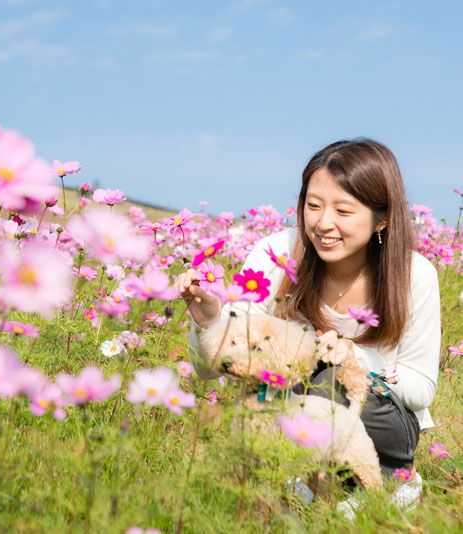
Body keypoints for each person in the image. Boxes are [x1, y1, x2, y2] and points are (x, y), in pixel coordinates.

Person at [175, 138, 441, 515]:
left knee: (324, 378)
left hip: (376, 420)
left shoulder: (415, 276)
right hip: (286, 414)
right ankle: (303, 481)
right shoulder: (276, 253)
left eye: (343, 210)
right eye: (313, 206)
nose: (323, 223)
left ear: (381, 218)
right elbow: (212, 371)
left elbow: (421, 390)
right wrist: (209, 324)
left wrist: (354, 358)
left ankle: (386, 478)